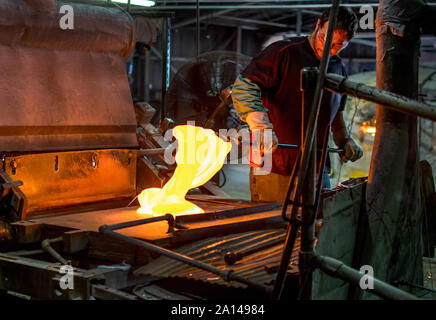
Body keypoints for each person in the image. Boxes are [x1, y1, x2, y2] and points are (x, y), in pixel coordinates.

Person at [231, 6, 364, 202]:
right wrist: (260, 127)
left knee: (316, 228)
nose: (328, 48)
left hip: (317, 170)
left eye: (338, 45)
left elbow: (335, 114)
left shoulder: (338, 69)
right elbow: (244, 86)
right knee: (272, 229)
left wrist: (345, 140)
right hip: (273, 166)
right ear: (318, 25)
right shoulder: (283, 53)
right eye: (324, 39)